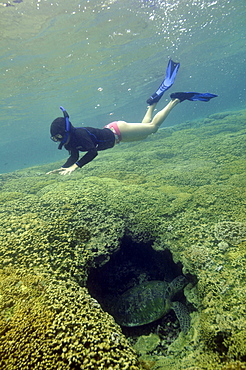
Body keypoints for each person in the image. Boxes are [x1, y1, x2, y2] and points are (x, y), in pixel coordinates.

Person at [47, 60, 217, 176]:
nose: (58, 140)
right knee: (145, 132)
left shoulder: (80, 134)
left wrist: (75, 168)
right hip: (117, 136)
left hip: (118, 131)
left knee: (153, 128)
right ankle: (152, 103)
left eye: (58, 137)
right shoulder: (71, 141)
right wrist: (62, 167)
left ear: (66, 130)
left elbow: (92, 152)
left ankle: (176, 99)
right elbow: (74, 156)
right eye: (55, 139)